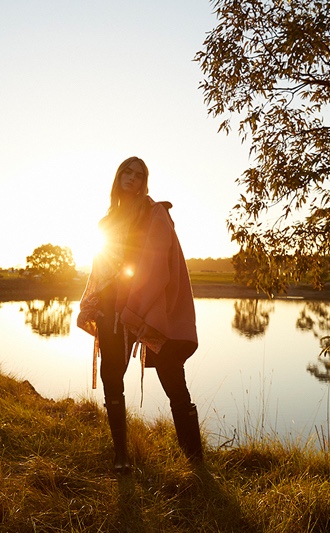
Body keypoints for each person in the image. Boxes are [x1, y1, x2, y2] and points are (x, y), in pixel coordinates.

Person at [77, 156, 202, 473]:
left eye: (139, 174)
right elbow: (100, 265)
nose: (131, 177)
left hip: (146, 307)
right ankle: (121, 458)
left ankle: (195, 461)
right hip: (110, 309)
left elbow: (158, 262)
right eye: (126, 172)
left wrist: (135, 306)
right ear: (118, 176)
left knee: (172, 378)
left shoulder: (154, 212)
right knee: (111, 376)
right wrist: (94, 303)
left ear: (145, 181)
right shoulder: (107, 222)